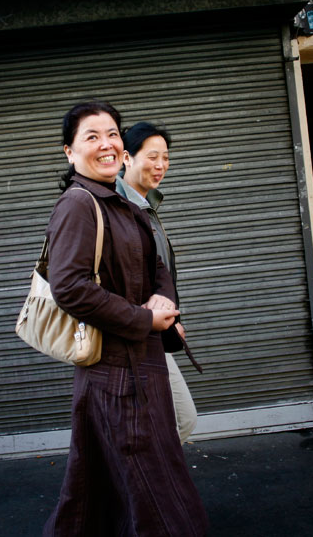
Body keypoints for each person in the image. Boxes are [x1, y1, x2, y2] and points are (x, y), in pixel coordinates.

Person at [43, 101, 208, 537]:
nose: (107, 143)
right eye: (92, 136)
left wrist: (162, 305)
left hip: (140, 363)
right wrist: (141, 318)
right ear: (69, 152)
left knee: (108, 485)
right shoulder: (79, 204)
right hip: (117, 374)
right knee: (147, 486)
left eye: (112, 133)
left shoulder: (121, 201)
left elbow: (158, 267)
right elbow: (71, 288)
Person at [116, 122, 199, 444]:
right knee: (179, 422)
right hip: (136, 336)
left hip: (151, 331)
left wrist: (171, 319)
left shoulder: (146, 206)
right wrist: (155, 321)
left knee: (163, 426)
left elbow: (157, 273)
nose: (161, 165)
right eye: (153, 156)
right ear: (127, 157)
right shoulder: (122, 210)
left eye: (166, 157)